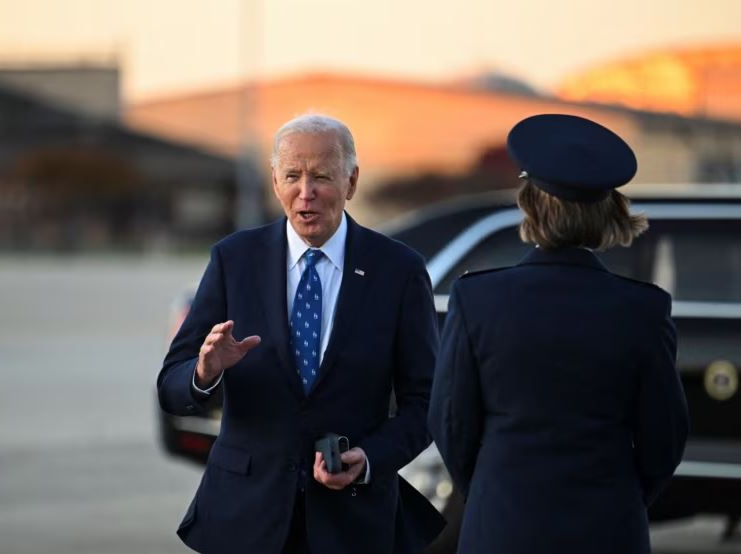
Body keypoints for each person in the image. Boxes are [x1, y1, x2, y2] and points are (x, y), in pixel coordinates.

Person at [157, 114, 445, 553]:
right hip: (246, 518)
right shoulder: (235, 260)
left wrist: (369, 459)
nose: (305, 193)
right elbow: (171, 388)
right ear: (275, 181)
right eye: (292, 176)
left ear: (351, 182)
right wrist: (203, 372)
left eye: (321, 177)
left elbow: (426, 402)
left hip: (353, 522)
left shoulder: (398, 271)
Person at [428, 114, 689, 554]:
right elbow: (664, 441)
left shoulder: (478, 300)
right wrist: (618, 498)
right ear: (607, 211)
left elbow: (450, 424)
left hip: (501, 528)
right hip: (608, 530)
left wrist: (494, 490)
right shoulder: (643, 309)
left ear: (529, 203)